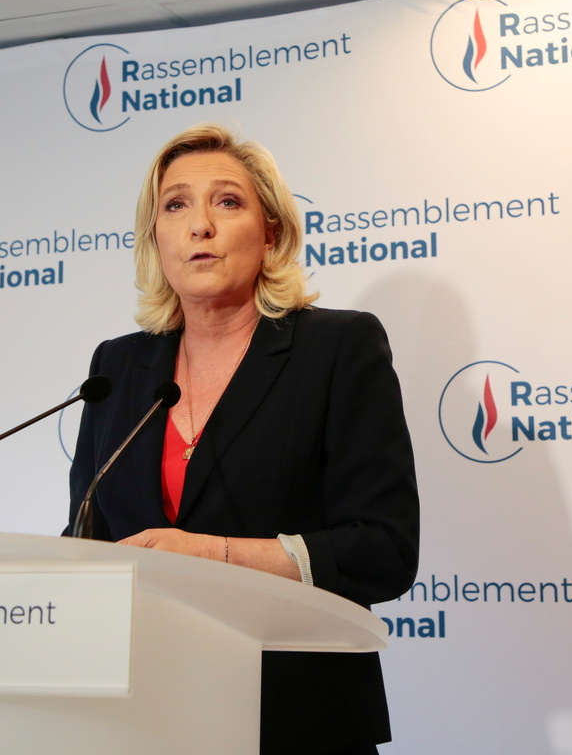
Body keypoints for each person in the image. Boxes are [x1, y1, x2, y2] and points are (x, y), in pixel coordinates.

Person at [67, 122, 419, 754]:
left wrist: (210, 555)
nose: (199, 226)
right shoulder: (117, 368)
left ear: (271, 232)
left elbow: (384, 550)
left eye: (227, 202)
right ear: (155, 237)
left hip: (295, 719)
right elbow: (85, 541)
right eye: (175, 206)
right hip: (142, 718)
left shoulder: (337, 349)